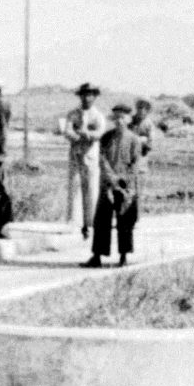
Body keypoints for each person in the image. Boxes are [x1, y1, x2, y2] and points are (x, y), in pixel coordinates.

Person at [83, 104, 142, 268]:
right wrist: (112, 179)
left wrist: (124, 180)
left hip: (126, 187)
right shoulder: (106, 137)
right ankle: (97, 257)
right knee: (101, 220)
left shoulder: (134, 140)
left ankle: (123, 257)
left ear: (129, 119)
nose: (119, 121)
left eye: (122, 118)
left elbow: (136, 164)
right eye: (116, 118)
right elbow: (102, 159)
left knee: (125, 222)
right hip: (108, 185)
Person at [63, 82, 106, 239]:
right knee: (75, 186)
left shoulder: (98, 115)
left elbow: (100, 132)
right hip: (75, 154)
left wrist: (86, 134)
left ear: (94, 97)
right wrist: (76, 136)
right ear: (80, 96)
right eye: (84, 95)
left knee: (91, 188)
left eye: (90, 95)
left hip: (91, 155)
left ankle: (91, 223)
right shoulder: (73, 114)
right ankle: (74, 222)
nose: (87, 98)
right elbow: (67, 131)